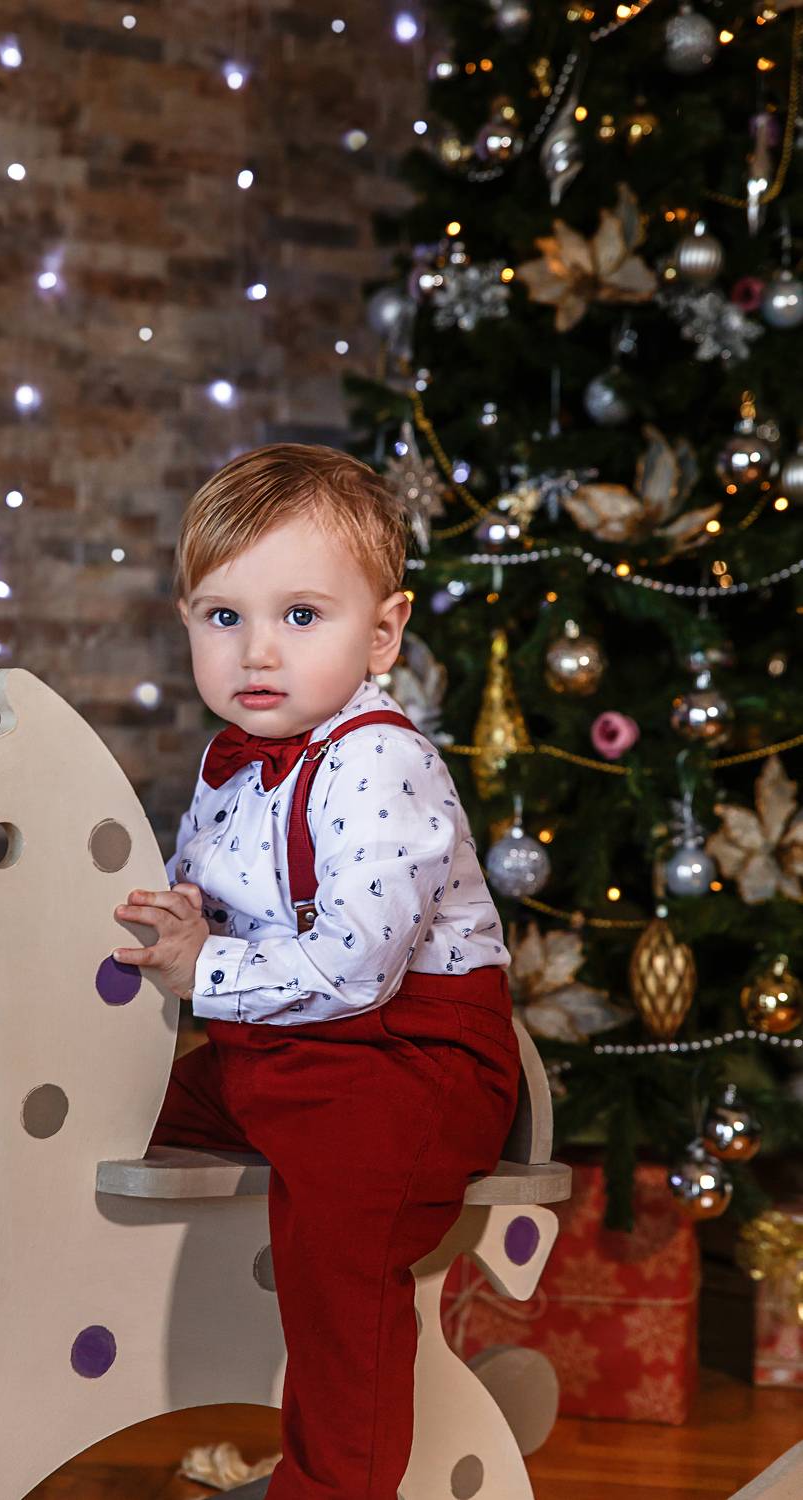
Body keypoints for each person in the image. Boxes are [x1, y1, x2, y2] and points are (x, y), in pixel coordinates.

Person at [111, 443, 521, 1500]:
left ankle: (336, 1482)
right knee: (117, 1115)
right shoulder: (230, 762)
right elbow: (214, 893)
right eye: (223, 615)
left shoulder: (382, 760)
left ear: (382, 633)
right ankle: (115, 1358)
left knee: (343, 1248)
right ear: (186, 622)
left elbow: (357, 968)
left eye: (300, 615)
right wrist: (181, 919)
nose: (257, 651)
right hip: (281, 1050)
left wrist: (203, 967)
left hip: (409, 1059)